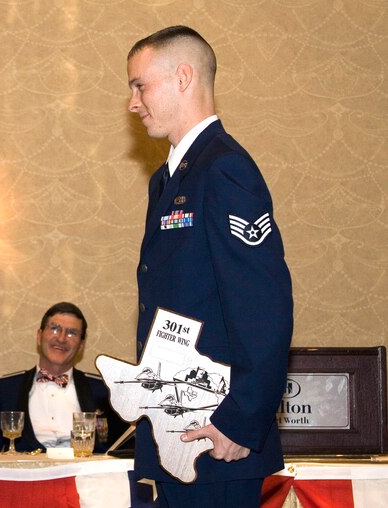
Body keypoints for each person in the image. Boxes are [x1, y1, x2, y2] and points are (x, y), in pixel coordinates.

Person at [126, 26, 293, 507]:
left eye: (140, 85)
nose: (133, 103)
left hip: (218, 435)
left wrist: (240, 419)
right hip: (171, 432)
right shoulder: (168, 178)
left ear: (182, 77)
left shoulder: (224, 168)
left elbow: (264, 308)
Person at [0, 302, 128, 453]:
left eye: (72, 333)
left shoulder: (103, 390)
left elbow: (122, 448)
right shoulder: (6, 389)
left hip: (83, 475)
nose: (62, 339)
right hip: (27, 475)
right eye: (55, 329)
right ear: (39, 336)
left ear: (81, 345)